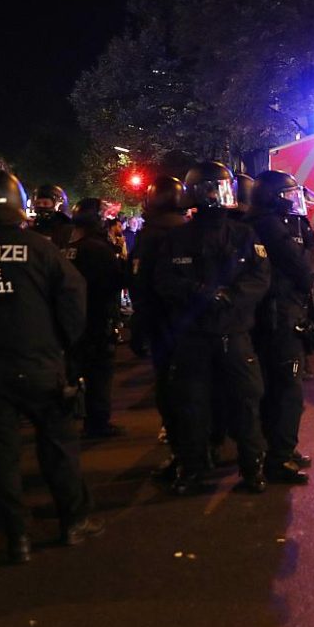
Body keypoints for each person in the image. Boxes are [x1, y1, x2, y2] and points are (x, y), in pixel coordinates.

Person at [0, 169, 104, 564]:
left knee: (3, 456)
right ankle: (73, 521)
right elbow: (74, 299)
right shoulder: (41, 249)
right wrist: (61, 342)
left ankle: (16, 536)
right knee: (58, 447)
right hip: (41, 363)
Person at [155, 161, 271, 495]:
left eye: (218, 188)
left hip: (233, 334)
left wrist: (231, 297)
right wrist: (199, 293)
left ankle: (252, 469)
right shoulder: (178, 237)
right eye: (208, 188)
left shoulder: (243, 233)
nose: (215, 195)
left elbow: (260, 278)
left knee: (247, 404)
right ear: (194, 192)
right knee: (192, 406)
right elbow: (164, 280)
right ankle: (192, 470)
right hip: (195, 337)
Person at [249, 170, 314, 484]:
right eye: (288, 195)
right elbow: (304, 268)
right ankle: (279, 457)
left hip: (283, 314)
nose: (294, 201)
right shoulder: (269, 226)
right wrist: (313, 249)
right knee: (287, 390)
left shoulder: (282, 223)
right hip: (278, 317)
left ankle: (282, 449)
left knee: (282, 388)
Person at [129, 176, 188, 467]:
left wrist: (139, 323)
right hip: (191, 318)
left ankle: (174, 429)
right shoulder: (189, 229)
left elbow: (139, 279)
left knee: (166, 378)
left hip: (159, 319)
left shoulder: (149, 234)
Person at [64, 198, 127, 437]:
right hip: (97, 317)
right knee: (100, 373)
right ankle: (98, 423)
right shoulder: (98, 249)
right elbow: (113, 281)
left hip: (73, 319)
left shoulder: (71, 246)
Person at [31, 184, 74, 248]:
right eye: (38, 203)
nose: (41, 206)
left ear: (58, 205)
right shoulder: (32, 228)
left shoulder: (69, 230)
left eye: (45, 203)